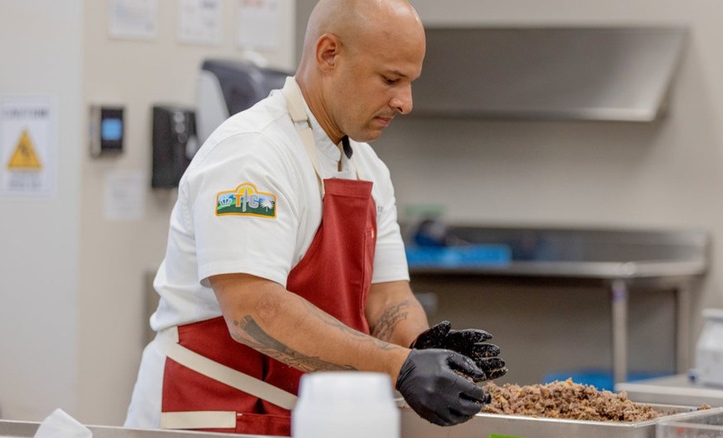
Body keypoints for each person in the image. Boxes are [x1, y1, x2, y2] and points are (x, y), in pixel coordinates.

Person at [124, 0, 507, 435]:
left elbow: (386, 297)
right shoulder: (253, 153)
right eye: (390, 79)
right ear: (329, 54)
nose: (405, 103)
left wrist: (421, 347)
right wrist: (398, 366)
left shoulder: (369, 169)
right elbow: (255, 310)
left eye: (410, 82)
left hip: (305, 416)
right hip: (211, 413)